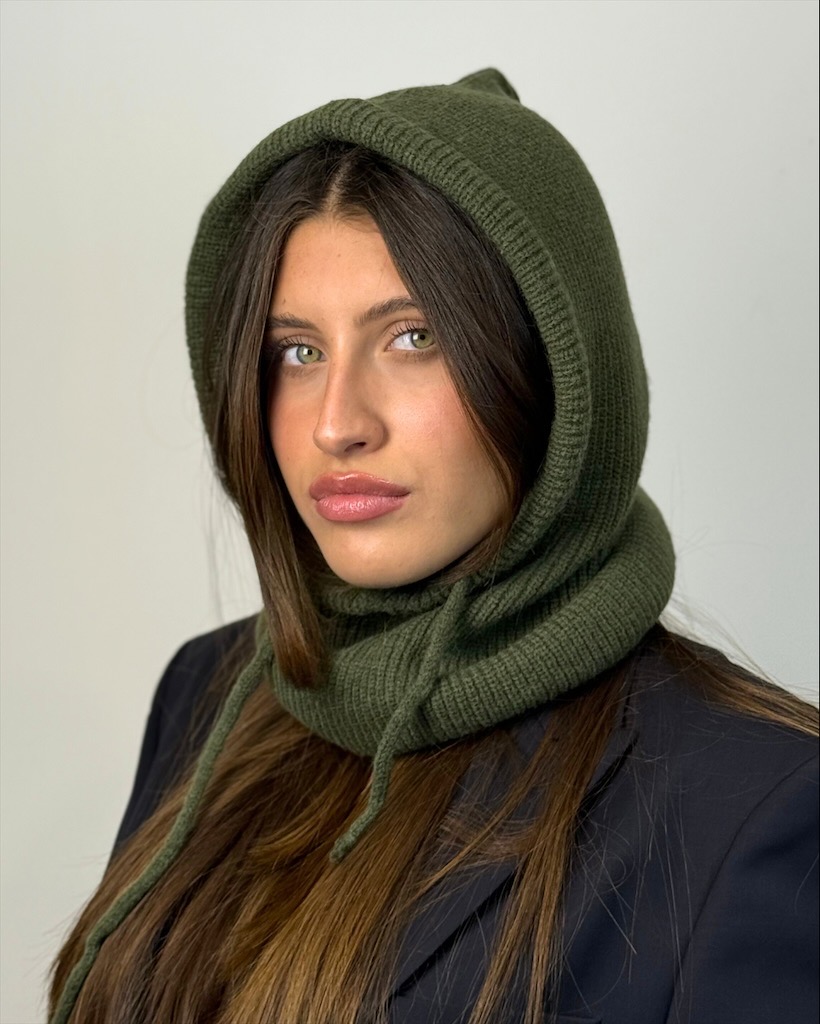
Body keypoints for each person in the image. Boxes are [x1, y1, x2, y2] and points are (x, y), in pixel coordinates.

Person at [48, 68, 818, 1024]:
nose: (337, 423)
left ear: (557, 374)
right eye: (298, 351)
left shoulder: (760, 807)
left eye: (413, 337)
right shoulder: (207, 692)